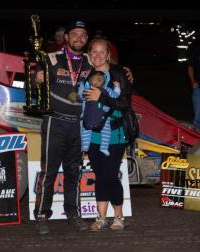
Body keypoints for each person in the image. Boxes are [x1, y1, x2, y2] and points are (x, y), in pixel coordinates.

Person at [34, 20, 92, 235]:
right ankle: (41, 215)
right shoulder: (51, 59)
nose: (79, 38)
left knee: (73, 172)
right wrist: (36, 78)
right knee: (49, 172)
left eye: (83, 35)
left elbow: (108, 70)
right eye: (74, 34)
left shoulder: (89, 62)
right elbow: (33, 84)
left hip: (78, 126)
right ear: (66, 37)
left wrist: (124, 72)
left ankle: (73, 213)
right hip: (54, 122)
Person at [82, 37, 132, 231]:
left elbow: (125, 104)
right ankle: (101, 218)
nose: (98, 55)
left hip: (114, 133)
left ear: (108, 54)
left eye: (102, 52)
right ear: (89, 54)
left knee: (110, 175)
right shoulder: (85, 75)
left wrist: (101, 96)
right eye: (94, 51)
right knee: (100, 176)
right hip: (91, 134)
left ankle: (119, 216)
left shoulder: (119, 73)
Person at [78, 70, 121, 156]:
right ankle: (85, 147)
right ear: (90, 80)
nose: (97, 81)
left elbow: (115, 95)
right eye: (95, 79)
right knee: (85, 130)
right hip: (88, 116)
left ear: (104, 82)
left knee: (106, 132)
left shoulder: (107, 89)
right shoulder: (87, 89)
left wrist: (117, 87)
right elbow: (79, 97)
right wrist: (79, 89)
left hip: (103, 117)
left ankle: (104, 147)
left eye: (100, 79)